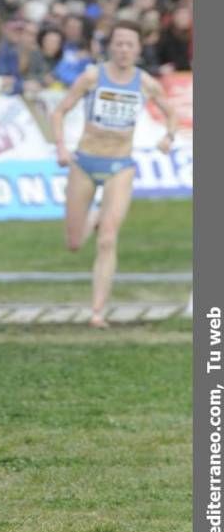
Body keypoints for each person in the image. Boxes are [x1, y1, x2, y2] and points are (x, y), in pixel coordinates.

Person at [51, 20, 177, 329]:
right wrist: (61, 149)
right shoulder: (93, 76)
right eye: (118, 43)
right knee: (74, 242)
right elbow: (59, 111)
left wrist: (169, 137)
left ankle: (97, 311)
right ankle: (91, 220)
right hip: (84, 163)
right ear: (111, 46)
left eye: (129, 44)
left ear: (137, 49)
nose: (123, 49)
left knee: (108, 238)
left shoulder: (145, 82)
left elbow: (172, 113)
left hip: (121, 166)